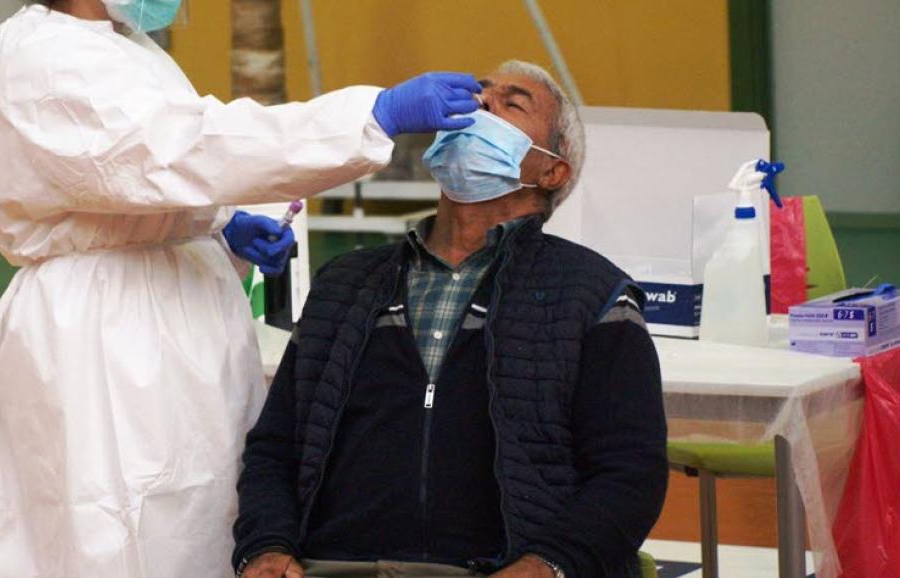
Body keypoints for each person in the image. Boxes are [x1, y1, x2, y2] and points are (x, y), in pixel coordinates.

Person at [0, 0, 483, 578]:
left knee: (197, 514)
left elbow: (141, 180)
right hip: (102, 341)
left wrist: (217, 224)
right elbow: (182, 149)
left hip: (164, 317)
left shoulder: (119, 43)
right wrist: (374, 115)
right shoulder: (49, 60)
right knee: (114, 527)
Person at [233, 61, 668, 578]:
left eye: (512, 103)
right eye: (480, 94)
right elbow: (276, 447)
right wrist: (266, 546)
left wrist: (549, 565)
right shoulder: (346, 284)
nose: (482, 104)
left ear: (552, 171)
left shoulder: (592, 295)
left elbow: (629, 473)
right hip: (336, 565)